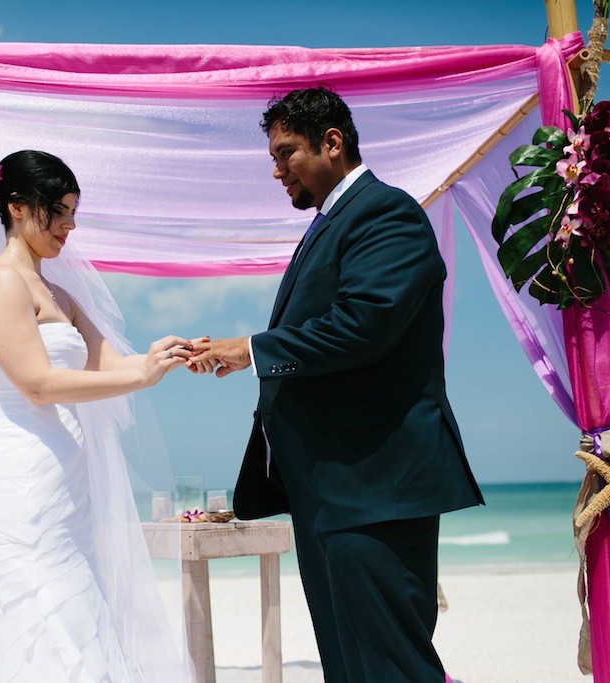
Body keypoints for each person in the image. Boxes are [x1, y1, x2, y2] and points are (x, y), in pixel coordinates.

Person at [189, 87, 484, 682]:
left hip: (374, 486)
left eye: (286, 153)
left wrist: (250, 350)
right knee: (350, 669)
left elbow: (364, 325)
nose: (277, 171)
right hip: (331, 491)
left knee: (388, 667)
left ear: (333, 142)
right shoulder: (332, 223)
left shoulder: (385, 212)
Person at [0, 150, 195, 682]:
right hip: (20, 485)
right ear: (17, 208)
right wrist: (140, 376)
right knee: (44, 631)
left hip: (66, 488)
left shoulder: (60, 294)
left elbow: (112, 364)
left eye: (73, 211)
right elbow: (38, 385)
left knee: (81, 629)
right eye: (59, 211)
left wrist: (171, 356)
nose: (70, 225)